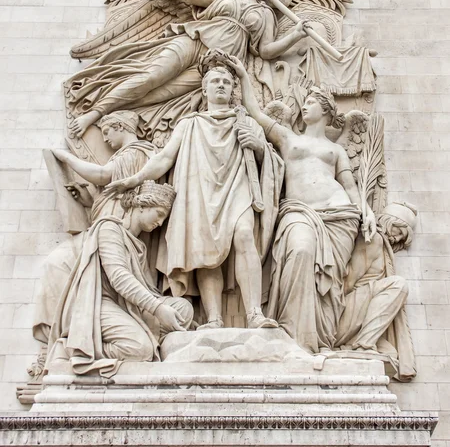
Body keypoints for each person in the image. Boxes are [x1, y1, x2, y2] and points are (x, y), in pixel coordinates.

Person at [105, 56, 284, 330]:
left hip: (238, 187)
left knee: (245, 235)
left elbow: (270, 161)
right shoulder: (189, 123)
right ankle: (213, 318)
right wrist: (135, 179)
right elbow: (165, 158)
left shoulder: (246, 120)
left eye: (226, 81)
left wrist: (259, 147)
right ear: (205, 89)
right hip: (200, 190)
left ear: (233, 89)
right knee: (205, 250)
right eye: (215, 81)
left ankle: (254, 314)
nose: (221, 85)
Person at [227, 55, 376, 353]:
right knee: (301, 251)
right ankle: (293, 334)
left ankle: (316, 340)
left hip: (339, 216)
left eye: (310, 102)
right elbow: (255, 111)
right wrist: (244, 75)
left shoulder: (335, 149)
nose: (304, 106)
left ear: (324, 110)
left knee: (329, 278)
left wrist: (367, 211)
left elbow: (349, 185)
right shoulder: (287, 137)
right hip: (298, 212)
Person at [68, 0, 306, 138]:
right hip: (193, 40)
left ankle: (115, 114)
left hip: (215, 65)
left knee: (162, 94)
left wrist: (295, 35)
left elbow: (265, 51)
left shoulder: (264, 13)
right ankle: (94, 113)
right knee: (151, 77)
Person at [33, 110, 157, 345]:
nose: (105, 139)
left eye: (108, 132)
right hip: (107, 229)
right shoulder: (125, 155)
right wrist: (90, 202)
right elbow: (112, 197)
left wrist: (66, 158)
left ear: (121, 127)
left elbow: (102, 175)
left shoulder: (136, 152)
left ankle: (70, 337)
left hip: (113, 234)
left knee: (62, 266)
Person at [48, 181, 193, 377]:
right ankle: (75, 348)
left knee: (183, 308)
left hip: (126, 306)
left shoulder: (138, 245)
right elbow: (119, 278)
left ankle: (150, 338)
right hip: (99, 304)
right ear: (141, 205)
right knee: (140, 348)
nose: (159, 223)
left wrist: (162, 305)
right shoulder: (109, 228)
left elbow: (144, 288)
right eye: (159, 215)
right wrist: (158, 308)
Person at [336, 202, 417, 381]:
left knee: (390, 352)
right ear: (390, 222)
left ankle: (362, 342)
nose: (397, 239)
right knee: (398, 285)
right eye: (399, 233)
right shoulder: (374, 240)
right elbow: (348, 282)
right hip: (341, 313)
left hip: (357, 311)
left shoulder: (380, 242)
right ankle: (363, 344)